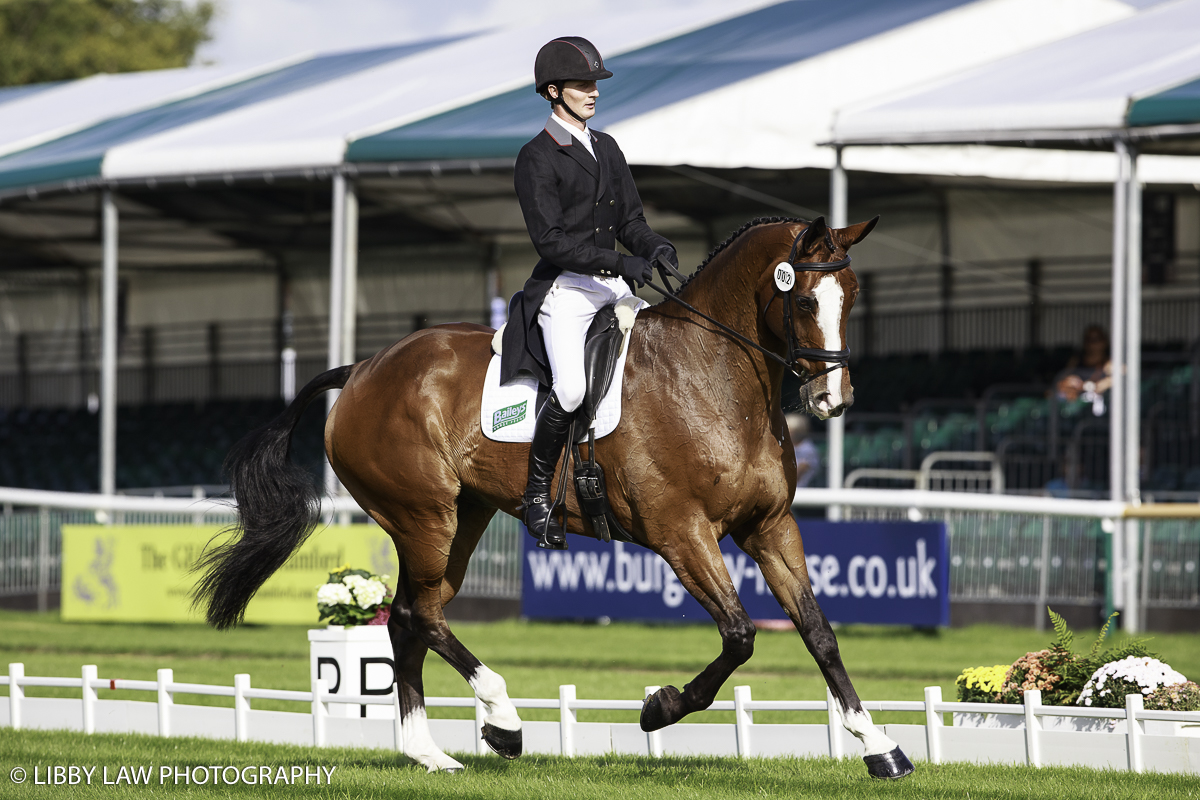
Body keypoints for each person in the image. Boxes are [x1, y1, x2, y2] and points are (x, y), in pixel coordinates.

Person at [501, 37, 677, 550]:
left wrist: (656, 247)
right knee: (573, 389)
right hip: (566, 291)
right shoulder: (536, 156)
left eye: (594, 84)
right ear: (553, 92)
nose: (592, 92)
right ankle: (537, 495)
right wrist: (622, 261)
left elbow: (631, 221)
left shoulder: (608, 147)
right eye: (582, 85)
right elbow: (551, 241)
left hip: (612, 288)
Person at [1055, 324, 1111, 417]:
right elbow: (1062, 381)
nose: (1092, 344)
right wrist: (1068, 383)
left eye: (1096, 339)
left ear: (1104, 341)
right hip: (1077, 408)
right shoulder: (1076, 361)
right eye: (1089, 340)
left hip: (1102, 410)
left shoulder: (1110, 362)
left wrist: (1106, 383)